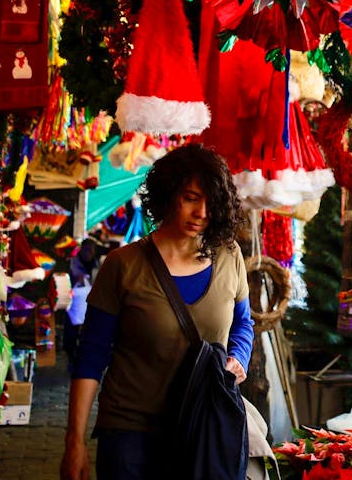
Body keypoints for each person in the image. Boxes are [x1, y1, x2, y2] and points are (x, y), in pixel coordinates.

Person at [61, 143, 255, 480]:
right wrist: (74, 441)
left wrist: (239, 355)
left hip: (204, 426)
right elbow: (91, 357)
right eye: (191, 197)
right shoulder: (123, 266)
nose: (202, 213)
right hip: (131, 435)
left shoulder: (229, 256)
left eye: (211, 201)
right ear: (167, 195)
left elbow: (242, 323)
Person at [62, 238, 101, 369]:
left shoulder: (96, 265)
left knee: (86, 331)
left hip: (89, 303)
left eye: (91, 251)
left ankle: (81, 356)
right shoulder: (72, 262)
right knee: (71, 330)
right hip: (74, 303)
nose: (88, 253)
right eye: (86, 250)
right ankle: (70, 355)